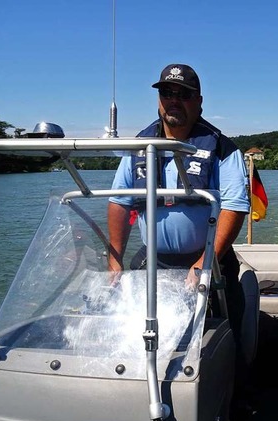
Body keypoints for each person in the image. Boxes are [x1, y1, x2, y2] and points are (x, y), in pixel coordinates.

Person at [107, 63, 250, 339]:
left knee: (228, 331)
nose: (174, 101)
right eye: (167, 93)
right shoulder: (139, 147)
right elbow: (119, 202)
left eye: (183, 94)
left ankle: (238, 375)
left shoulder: (222, 149)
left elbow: (235, 207)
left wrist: (204, 262)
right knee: (131, 330)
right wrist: (115, 258)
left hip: (211, 260)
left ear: (199, 102)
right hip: (153, 259)